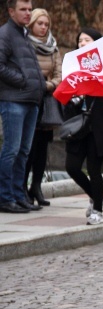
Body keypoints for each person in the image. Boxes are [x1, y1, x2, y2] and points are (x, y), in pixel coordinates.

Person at [63, 28, 103, 225]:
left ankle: (97, 210)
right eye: (79, 40)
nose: (82, 44)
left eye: (86, 40)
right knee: (71, 167)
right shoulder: (73, 67)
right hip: (78, 128)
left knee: (94, 169)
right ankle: (95, 195)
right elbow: (64, 97)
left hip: (99, 129)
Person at [0, 0, 45, 213]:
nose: (28, 13)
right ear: (11, 11)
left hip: (30, 101)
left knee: (24, 152)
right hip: (13, 101)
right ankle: (5, 197)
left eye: (29, 9)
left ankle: (19, 196)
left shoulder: (24, 35)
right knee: (11, 150)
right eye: (23, 10)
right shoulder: (5, 34)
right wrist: (22, 80)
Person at [24, 8, 61, 206]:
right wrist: (40, 82)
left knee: (42, 149)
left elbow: (58, 75)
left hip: (46, 102)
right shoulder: (25, 43)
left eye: (46, 24)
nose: (43, 27)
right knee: (27, 149)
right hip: (29, 100)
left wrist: (48, 85)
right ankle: (21, 187)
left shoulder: (53, 47)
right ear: (32, 23)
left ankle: (36, 187)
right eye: (40, 23)